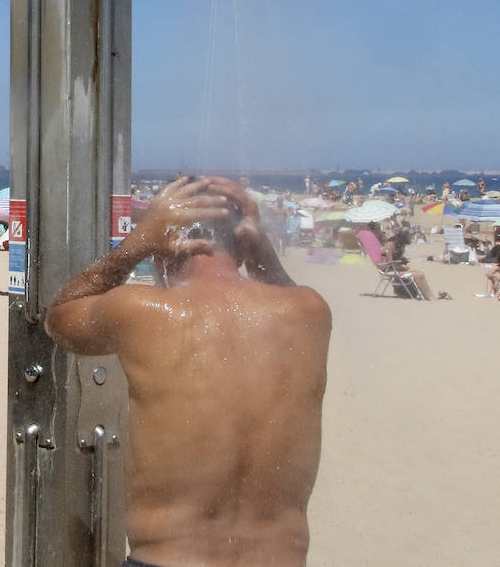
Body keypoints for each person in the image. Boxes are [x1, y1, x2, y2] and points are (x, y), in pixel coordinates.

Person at [45, 175, 332, 567]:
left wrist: (137, 243)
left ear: (165, 246)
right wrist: (262, 249)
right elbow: (284, 290)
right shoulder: (309, 314)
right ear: (245, 242)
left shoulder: (140, 311)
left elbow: (59, 318)